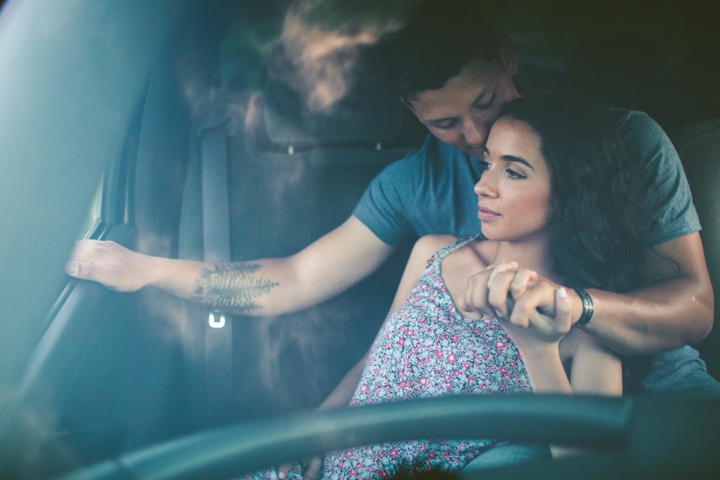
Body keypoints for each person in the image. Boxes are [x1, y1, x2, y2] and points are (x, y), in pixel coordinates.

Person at [66, 0, 715, 403]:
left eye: (485, 103)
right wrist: (152, 271)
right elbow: (291, 278)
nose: (475, 137)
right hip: (503, 419)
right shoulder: (412, 186)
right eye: (445, 124)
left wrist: (575, 311)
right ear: (412, 114)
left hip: (657, 389)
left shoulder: (623, 140)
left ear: (508, 59)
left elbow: (692, 307)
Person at [249, 93, 637, 480]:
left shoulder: (585, 325)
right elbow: (374, 361)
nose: (483, 186)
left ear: (568, 193)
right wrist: (317, 429)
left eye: (513, 172)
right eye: (487, 164)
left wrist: (537, 350)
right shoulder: (435, 253)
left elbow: (593, 470)